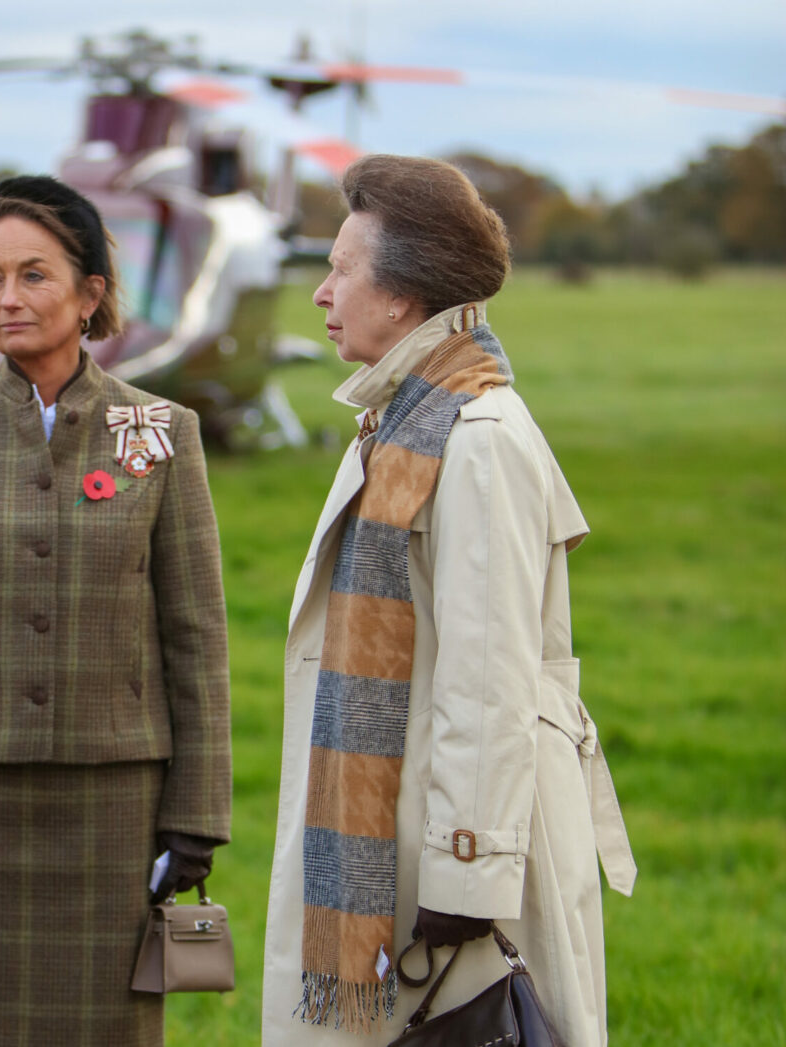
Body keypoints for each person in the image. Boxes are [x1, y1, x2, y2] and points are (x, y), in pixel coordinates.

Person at [260, 155, 636, 1045]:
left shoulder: (476, 436)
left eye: (340, 269)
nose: (321, 293)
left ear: (403, 297)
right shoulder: (404, 419)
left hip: (449, 865)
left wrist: (466, 886)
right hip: (394, 827)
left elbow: (489, 681)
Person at [0, 175, 232, 1047]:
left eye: (33, 275)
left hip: (115, 807)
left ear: (91, 292)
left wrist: (197, 813)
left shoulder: (160, 430)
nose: (6, 299)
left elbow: (197, 636)